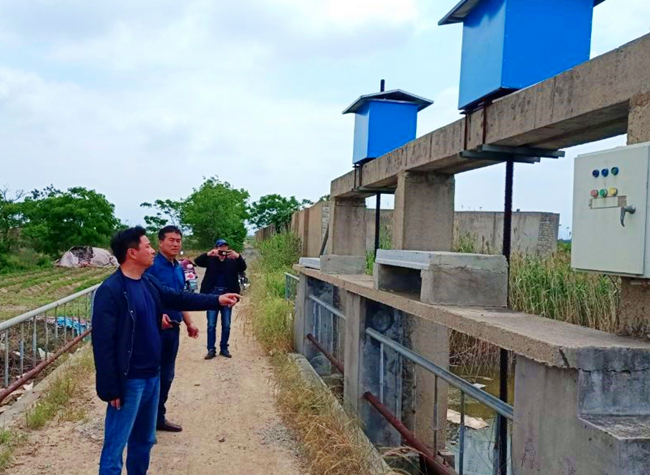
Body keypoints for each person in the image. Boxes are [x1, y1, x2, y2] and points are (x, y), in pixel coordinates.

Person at [92, 226, 240, 475]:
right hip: (129, 382)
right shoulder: (111, 290)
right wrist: (109, 387)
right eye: (147, 246)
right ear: (132, 253)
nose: (152, 250)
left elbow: (179, 298)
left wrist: (216, 300)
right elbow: (103, 342)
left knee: (144, 442)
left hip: (152, 377)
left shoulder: (148, 282)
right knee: (115, 448)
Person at [145, 225, 199, 433]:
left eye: (178, 240)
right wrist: (156, 315)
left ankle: (158, 417)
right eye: (171, 240)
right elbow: (143, 295)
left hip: (173, 329)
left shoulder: (178, 267)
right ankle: (144, 422)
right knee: (151, 375)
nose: (176, 244)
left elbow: (179, 298)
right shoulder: (151, 266)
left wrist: (189, 322)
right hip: (154, 330)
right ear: (160, 242)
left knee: (167, 376)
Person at [194, 238, 247, 359]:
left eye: (225, 246)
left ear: (227, 248)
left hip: (228, 294)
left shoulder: (232, 260)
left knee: (226, 324)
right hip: (212, 295)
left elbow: (243, 267)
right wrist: (209, 254)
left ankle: (224, 348)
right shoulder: (211, 259)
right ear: (216, 248)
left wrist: (238, 256)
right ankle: (211, 349)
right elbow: (197, 261)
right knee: (211, 324)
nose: (223, 249)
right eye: (220, 247)